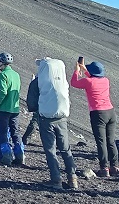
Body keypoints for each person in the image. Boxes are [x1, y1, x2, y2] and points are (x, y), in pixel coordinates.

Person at [27, 57, 78, 190]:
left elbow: (31, 104)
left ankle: (56, 180)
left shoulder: (38, 82)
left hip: (46, 119)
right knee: (65, 149)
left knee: (50, 150)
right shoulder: (62, 82)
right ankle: (73, 178)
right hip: (62, 118)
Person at [70, 58, 119, 177]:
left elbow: (74, 83)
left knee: (101, 142)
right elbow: (94, 77)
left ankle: (104, 168)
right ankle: (115, 166)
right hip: (110, 112)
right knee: (110, 141)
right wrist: (85, 70)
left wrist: (77, 71)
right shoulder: (106, 80)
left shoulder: (88, 82)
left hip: (98, 113)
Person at [0, 52, 24, 166]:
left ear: (1, 63)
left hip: (4, 109)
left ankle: (7, 157)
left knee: (3, 133)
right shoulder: (16, 75)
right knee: (16, 133)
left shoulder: (3, 75)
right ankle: (20, 156)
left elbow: (3, 92)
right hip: (15, 109)